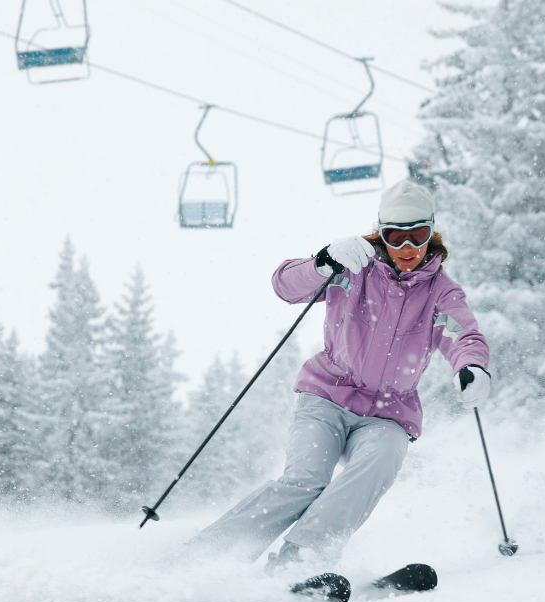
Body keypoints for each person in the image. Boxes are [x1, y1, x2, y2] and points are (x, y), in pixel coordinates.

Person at [190, 180, 491, 568]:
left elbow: (461, 331)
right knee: (305, 481)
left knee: (379, 464)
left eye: (418, 235)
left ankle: (301, 558)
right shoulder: (354, 268)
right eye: (395, 237)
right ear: (380, 234)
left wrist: (471, 365)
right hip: (327, 396)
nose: (407, 249)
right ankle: (207, 556)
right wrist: (321, 262)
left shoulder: (441, 292)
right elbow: (286, 287)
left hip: (389, 413)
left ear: (432, 234)